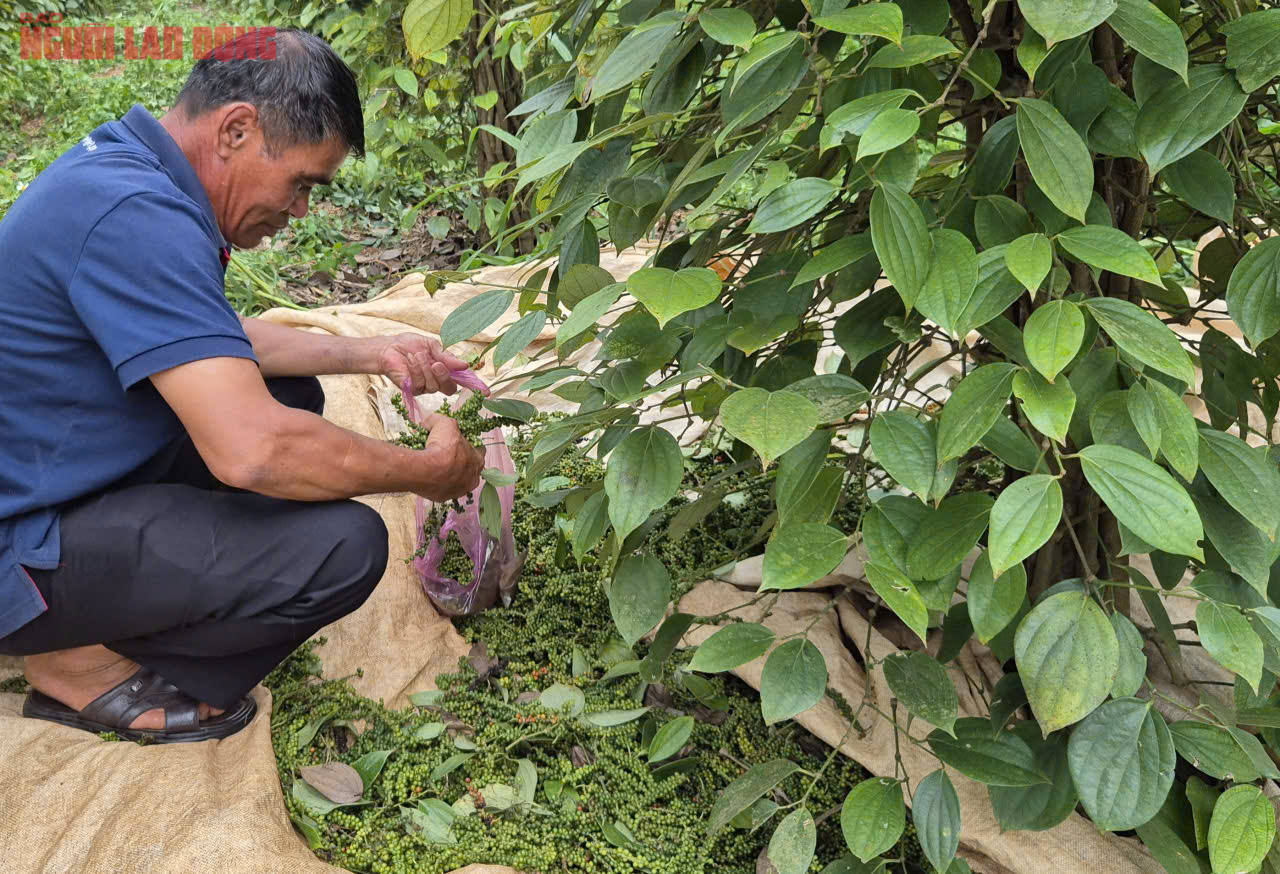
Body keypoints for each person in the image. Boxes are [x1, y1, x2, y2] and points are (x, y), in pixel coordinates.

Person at [0, 28, 484, 743]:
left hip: (47, 475)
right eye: (301, 184)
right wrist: (427, 474)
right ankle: (74, 661)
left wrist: (371, 350)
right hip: (21, 546)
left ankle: (116, 597)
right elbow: (253, 453)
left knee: (297, 397)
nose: (300, 212)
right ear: (236, 130)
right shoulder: (133, 215)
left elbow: (213, 336)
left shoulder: (131, 173)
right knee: (342, 547)